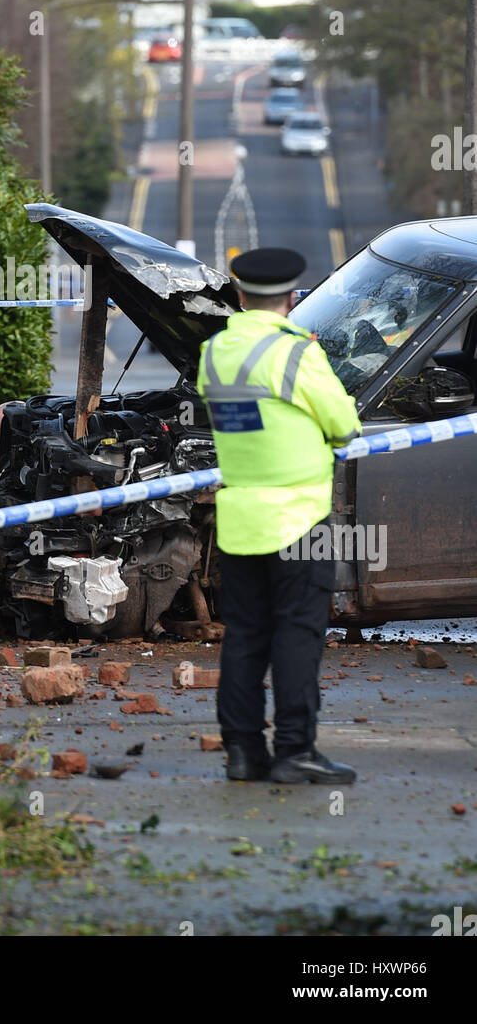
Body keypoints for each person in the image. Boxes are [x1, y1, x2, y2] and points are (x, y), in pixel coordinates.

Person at [197, 247, 362, 785]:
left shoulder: (215, 352)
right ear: (293, 297)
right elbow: (343, 422)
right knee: (297, 634)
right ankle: (295, 750)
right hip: (299, 519)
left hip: (241, 517)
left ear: (239, 296)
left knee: (244, 635)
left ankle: (243, 753)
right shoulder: (296, 354)